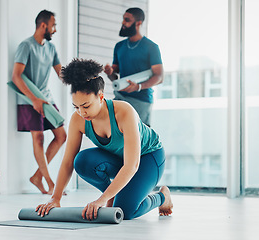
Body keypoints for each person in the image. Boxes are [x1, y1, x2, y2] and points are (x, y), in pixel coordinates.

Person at [36, 59, 173, 220]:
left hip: (148, 158)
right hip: (120, 160)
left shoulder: (124, 112)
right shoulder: (78, 119)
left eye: (86, 106)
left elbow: (132, 165)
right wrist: (55, 198)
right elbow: (68, 161)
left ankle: (162, 197)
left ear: (100, 97)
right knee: (82, 161)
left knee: (125, 211)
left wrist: (101, 200)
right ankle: (113, 195)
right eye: (76, 107)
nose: (81, 112)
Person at [12, 10, 67, 195]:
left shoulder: (51, 49)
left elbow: (62, 74)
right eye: (53, 25)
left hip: (46, 98)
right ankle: (50, 183)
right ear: (43, 25)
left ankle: (37, 177)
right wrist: (34, 99)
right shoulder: (26, 46)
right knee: (39, 138)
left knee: (61, 136)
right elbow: (16, 76)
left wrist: (81, 79)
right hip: (29, 100)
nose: (55, 29)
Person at [104, 7, 164, 127]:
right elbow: (115, 77)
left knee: (138, 139)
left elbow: (159, 77)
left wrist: (138, 87)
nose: (123, 23)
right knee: (116, 135)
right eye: (123, 19)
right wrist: (109, 72)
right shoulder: (119, 46)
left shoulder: (151, 47)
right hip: (121, 97)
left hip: (141, 100)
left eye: (127, 20)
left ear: (139, 23)